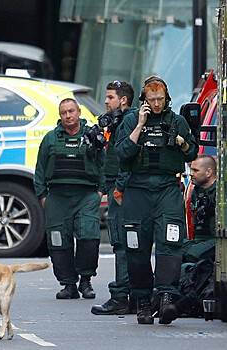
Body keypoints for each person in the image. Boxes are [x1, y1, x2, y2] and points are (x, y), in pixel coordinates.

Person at [115, 76, 198, 325]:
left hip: (168, 189)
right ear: (144, 100)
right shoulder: (131, 120)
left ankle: (166, 298)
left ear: (167, 98)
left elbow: (193, 153)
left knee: (170, 244)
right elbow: (122, 154)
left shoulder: (177, 121)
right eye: (152, 100)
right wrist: (139, 125)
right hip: (138, 189)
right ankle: (142, 301)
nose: (157, 104)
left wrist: (181, 142)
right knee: (136, 247)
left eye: (160, 99)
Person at [33, 98, 105, 300]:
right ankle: (68, 284)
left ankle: (86, 281)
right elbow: (39, 171)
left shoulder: (92, 136)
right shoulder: (50, 139)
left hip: (86, 196)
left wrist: (99, 193)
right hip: (57, 197)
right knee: (58, 242)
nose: (68, 115)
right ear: (60, 115)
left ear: (79, 112)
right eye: (64, 112)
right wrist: (44, 198)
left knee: (89, 238)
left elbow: (104, 165)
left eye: (71, 111)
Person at [92, 81, 136, 315]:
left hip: (122, 191)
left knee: (120, 242)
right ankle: (133, 296)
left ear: (123, 100)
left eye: (110, 97)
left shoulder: (127, 121)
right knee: (125, 243)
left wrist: (118, 189)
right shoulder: (119, 122)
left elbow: (126, 160)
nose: (106, 102)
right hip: (117, 188)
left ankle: (121, 297)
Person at [182, 155, 216, 263]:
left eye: (195, 170)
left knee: (193, 254)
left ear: (208, 172)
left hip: (216, 241)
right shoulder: (196, 191)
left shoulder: (219, 193)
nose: (191, 173)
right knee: (171, 252)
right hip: (196, 240)